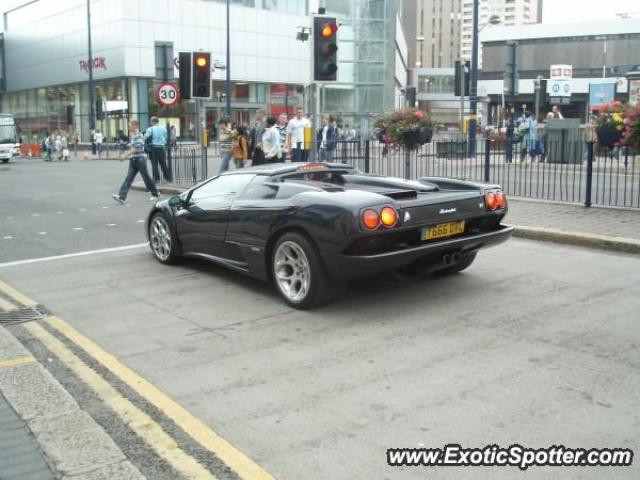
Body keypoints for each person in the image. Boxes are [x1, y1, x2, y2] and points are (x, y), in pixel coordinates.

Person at [112, 120, 160, 204]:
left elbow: (135, 149)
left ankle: (156, 194)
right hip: (134, 159)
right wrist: (127, 155)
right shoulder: (133, 135)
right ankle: (122, 197)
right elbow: (133, 148)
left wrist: (124, 156)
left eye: (129, 125)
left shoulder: (138, 135)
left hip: (140, 159)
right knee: (128, 178)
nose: (128, 127)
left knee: (146, 177)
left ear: (135, 126)